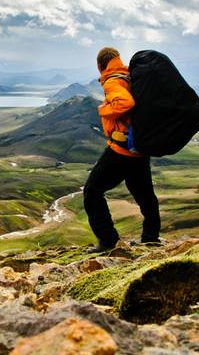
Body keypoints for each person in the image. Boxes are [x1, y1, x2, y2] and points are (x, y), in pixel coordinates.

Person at [84, 47, 161, 252]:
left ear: (100, 66)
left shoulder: (112, 80)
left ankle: (108, 240)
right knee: (145, 195)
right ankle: (151, 237)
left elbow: (125, 103)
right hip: (139, 149)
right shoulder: (129, 77)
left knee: (92, 191)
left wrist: (103, 109)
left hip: (121, 150)